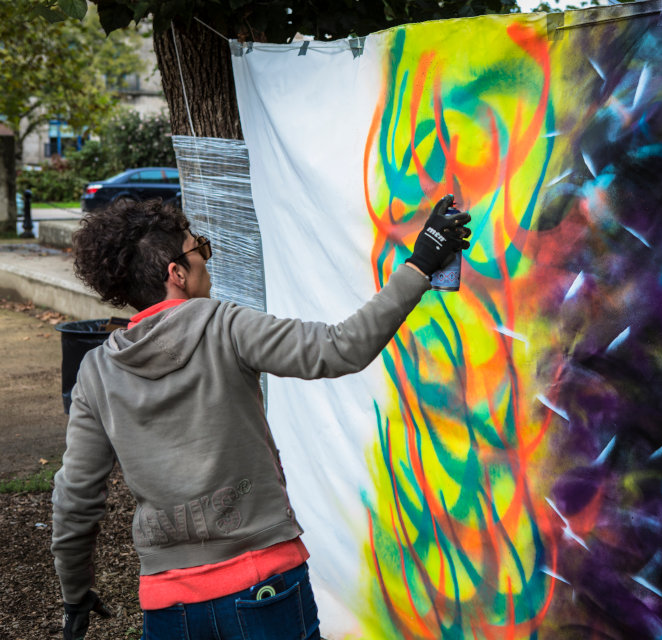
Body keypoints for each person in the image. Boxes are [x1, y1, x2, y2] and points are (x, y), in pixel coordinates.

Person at [51, 195, 470, 640]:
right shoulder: (224, 325)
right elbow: (340, 348)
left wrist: (75, 593)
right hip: (264, 588)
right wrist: (421, 263)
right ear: (176, 273)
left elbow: (74, 499)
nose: (207, 263)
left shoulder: (96, 372)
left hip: (169, 605)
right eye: (200, 251)